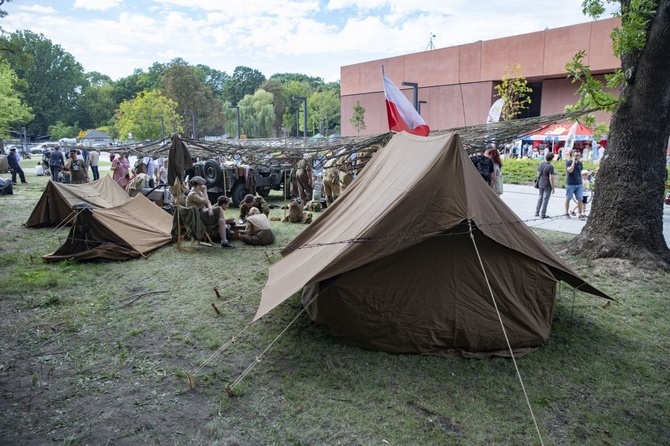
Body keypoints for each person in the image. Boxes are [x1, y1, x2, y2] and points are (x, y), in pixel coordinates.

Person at [186, 176, 235, 248]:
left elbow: (208, 202)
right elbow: (206, 201)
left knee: (221, 221)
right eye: (202, 185)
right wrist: (205, 191)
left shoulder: (198, 193)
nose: (203, 186)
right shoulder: (192, 194)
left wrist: (210, 209)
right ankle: (226, 228)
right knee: (219, 208)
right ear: (199, 185)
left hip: (202, 213)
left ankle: (224, 242)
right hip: (197, 218)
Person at [535, 153, 556, 219]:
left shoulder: (541, 164)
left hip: (540, 182)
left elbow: (538, 173)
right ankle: (543, 214)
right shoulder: (550, 167)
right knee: (545, 199)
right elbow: (551, 178)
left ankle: (537, 212)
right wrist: (553, 187)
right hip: (547, 184)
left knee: (540, 197)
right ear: (552, 159)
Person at [565, 150, 584, 218]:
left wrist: (582, 183)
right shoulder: (569, 162)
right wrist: (573, 161)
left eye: (578, 155)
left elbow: (580, 174)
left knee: (580, 199)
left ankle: (580, 214)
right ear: (572, 156)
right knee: (568, 198)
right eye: (575, 155)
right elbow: (570, 170)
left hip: (578, 184)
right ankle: (566, 212)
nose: (577, 157)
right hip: (570, 184)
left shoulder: (580, 164)